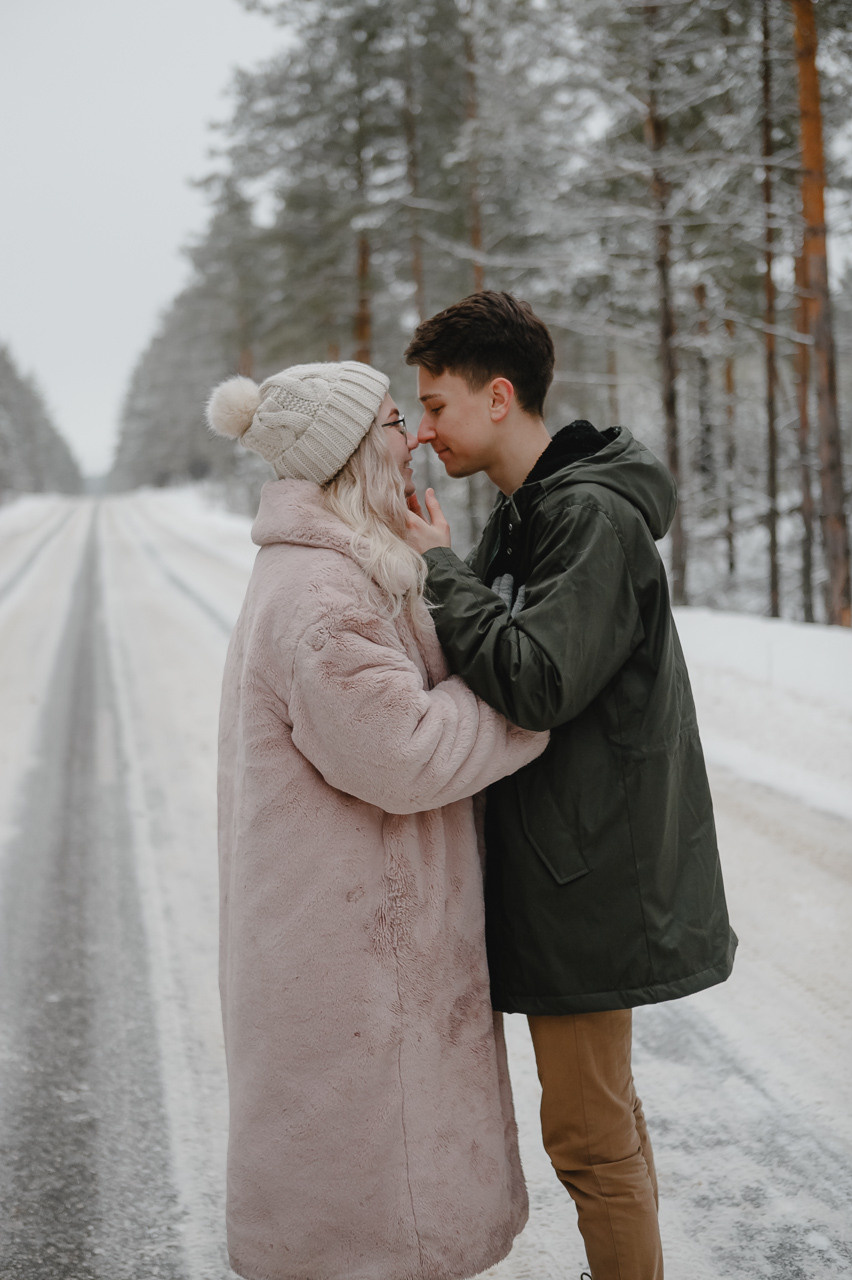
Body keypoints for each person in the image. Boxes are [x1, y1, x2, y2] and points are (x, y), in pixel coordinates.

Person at [403, 292, 738, 1280]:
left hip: (586, 874)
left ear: (498, 396)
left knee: (589, 1139)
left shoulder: (585, 517)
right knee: (605, 1125)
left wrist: (439, 568)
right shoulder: (530, 513)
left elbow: (536, 680)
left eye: (436, 405)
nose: (422, 429)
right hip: (568, 867)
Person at [206, 360, 548, 1280]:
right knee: (373, 1231)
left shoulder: (343, 568)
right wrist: (528, 703)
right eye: (397, 422)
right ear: (355, 450)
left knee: (376, 1221)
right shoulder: (321, 595)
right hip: (355, 961)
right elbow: (405, 753)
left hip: (360, 948)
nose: (417, 437)